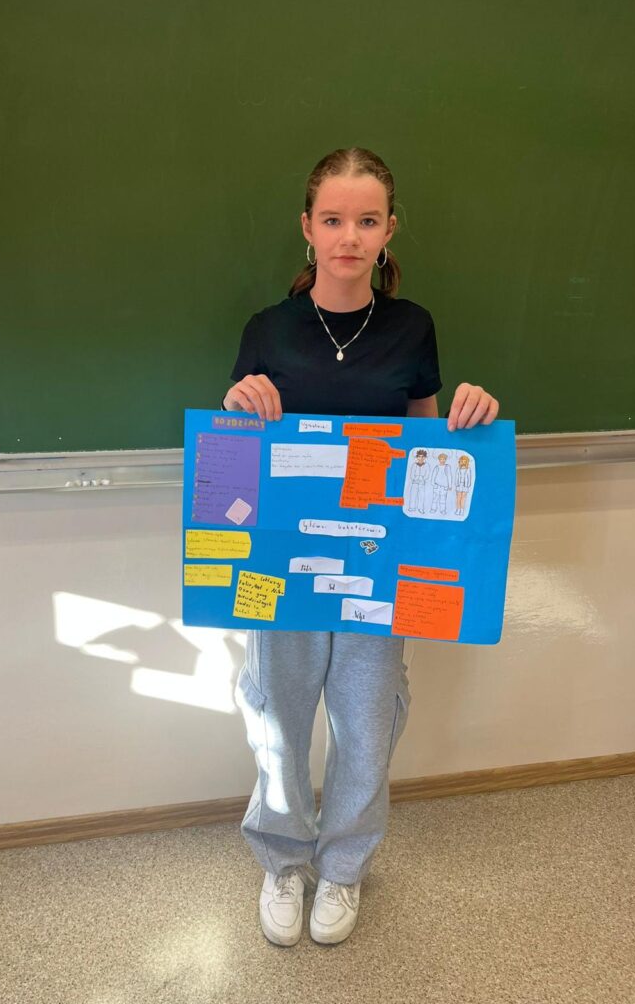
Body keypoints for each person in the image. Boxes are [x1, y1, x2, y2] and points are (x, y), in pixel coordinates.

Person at [222, 148, 499, 947]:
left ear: (388, 231)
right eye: (334, 220)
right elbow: (235, 460)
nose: (350, 236)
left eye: (367, 221)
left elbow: (426, 452)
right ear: (307, 228)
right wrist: (238, 403)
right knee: (277, 715)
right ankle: (282, 859)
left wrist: (469, 423)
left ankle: (343, 868)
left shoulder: (413, 328)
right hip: (282, 567)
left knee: (368, 722)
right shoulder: (268, 329)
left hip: (376, 570)